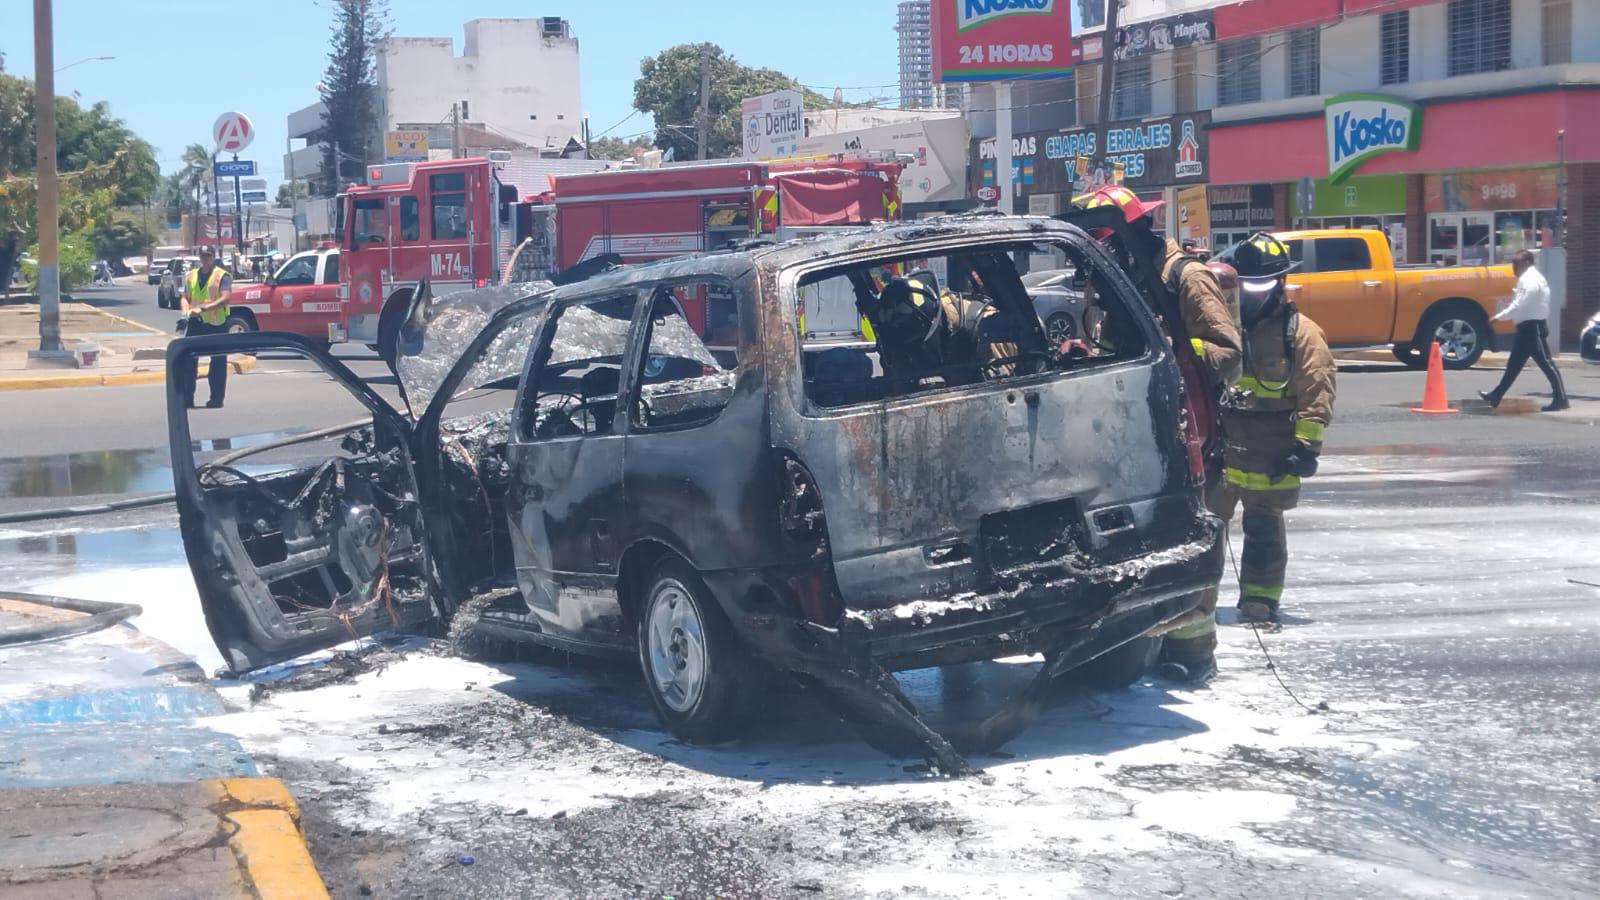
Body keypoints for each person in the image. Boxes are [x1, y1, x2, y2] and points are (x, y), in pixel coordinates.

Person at [1161, 233, 1336, 683]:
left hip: (1271, 451)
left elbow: (1317, 391)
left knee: (1264, 528)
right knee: (1205, 534)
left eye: (1265, 285)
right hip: (1222, 449)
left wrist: (1306, 448)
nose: (1255, 294)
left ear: (1281, 284)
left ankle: (1260, 600)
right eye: (1248, 286)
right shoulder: (1223, 330)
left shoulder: (1300, 334)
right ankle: (1195, 612)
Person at [1480, 250, 1569, 412]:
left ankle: (1561, 399)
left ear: (1527, 263)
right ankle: (1496, 395)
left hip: (1532, 328)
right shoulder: (1530, 278)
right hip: (1526, 328)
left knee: (1547, 364)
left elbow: (1518, 305)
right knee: (1513, 365)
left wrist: (1498, 317)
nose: (1513, 267)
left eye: (1516, 264)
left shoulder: (1530, 281)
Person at [179, 246, 233, 409]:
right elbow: (184, 297)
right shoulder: (190, 276)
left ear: (214, 256)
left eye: (208, 256)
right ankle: (187, 398)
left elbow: (225, 298)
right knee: (189, 360)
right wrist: (185, 313)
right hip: (195, 322)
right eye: (203, 256)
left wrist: (203, 309)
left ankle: (216, 399)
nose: (205, 259)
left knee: (217, 362)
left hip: (216, 323)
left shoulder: (222, 276)